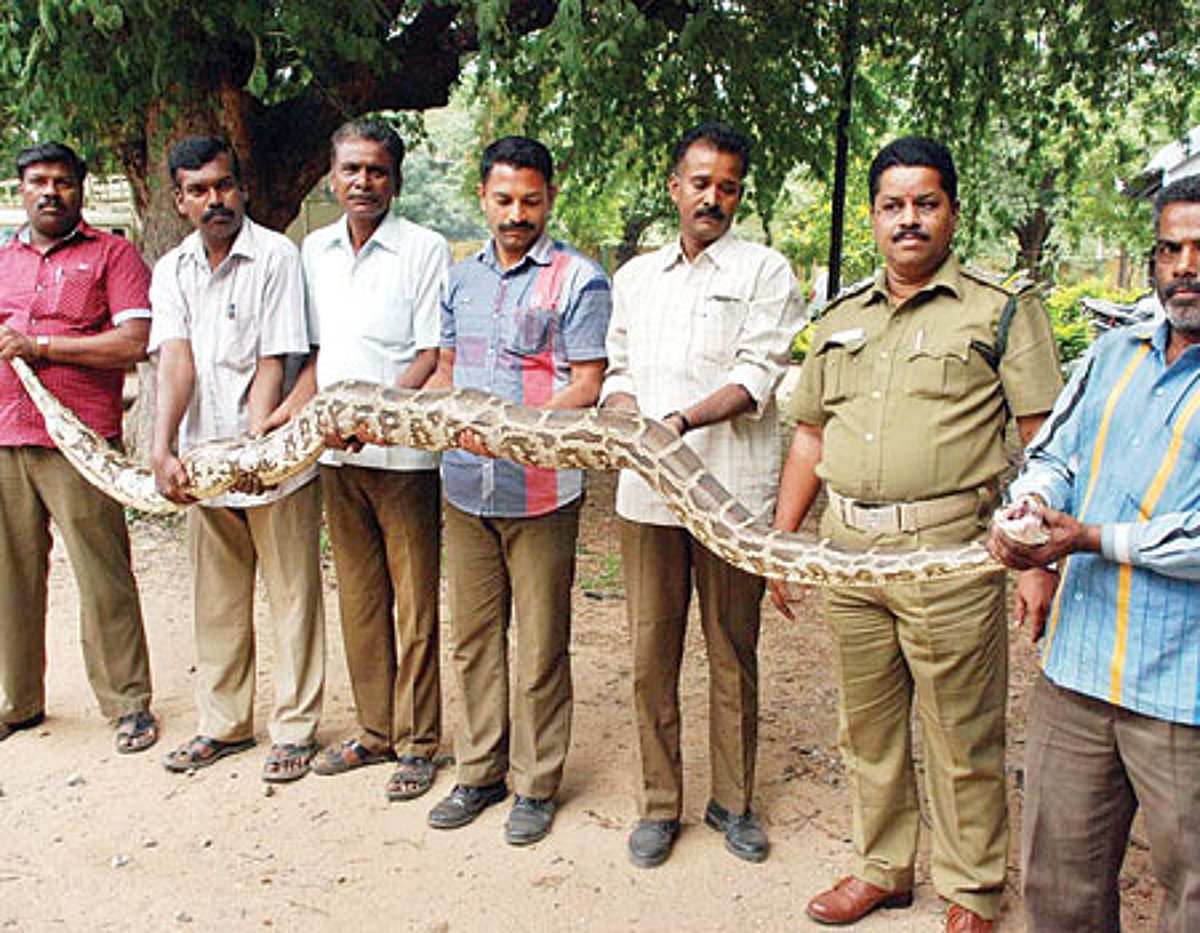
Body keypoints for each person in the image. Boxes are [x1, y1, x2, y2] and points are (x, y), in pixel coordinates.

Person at [771, 136, 1061, 932]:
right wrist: (783, 541)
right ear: (872, 217)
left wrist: (1040, 557)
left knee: (963, 732)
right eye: (893, 206)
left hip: (949, 553)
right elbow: (809, 437)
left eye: (926, 203)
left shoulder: (999, 310)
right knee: (866, 726)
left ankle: (971, 891)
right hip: (847, 552)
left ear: (953, 213)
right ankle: (882, 867)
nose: (909, 220)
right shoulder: (838, 319)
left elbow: (1043, 441)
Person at [988, 174, 1200, 933]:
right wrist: (1032, 510)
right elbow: (1054, 454)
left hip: (1184, 691)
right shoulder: (1113, 355)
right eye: (1171, 248)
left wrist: (1086, 538)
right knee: (1059, 884)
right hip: (1078, 671)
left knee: (1192, 894)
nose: (1186, 266)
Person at [601, 122, 804, 869]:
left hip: (730, 495)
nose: (711, 197)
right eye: (700, 182)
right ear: (674, 186)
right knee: (651, 654)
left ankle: (734, 801)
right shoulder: (635, 278)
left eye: (727, 186)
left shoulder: (766, 271)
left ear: (739, 193)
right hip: (647, 496)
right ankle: (660, 805)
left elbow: (759, 375)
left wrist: (678, 421)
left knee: (731, 652)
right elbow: (618, 368)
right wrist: (627, 416)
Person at [425, 136, 611, 846]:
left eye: (531, 201)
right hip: (465, 485)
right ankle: (478, 771)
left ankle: (536, 783)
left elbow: (587, 384)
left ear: (549, 199)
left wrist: (509, 430)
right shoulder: (459, 278)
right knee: (473, 639)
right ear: (483, 197)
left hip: (542, 489)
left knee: (540, 644)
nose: (516, 213)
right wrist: (438, 415)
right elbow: (446, 368)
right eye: (503, 199)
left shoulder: (580, 279)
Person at [265, 118, 451, 801]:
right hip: (336, 459)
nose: (363, 181)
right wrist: (290, 416)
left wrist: (376, 419)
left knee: (415, 604)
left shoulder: (425, 249)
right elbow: (314, 358)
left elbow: (431, 354)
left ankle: (419, 741)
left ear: (394, 178)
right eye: (351, 169)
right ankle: (375, 731)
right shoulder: (312, 251)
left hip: (402, 458)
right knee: (361, 601)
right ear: (331, 174)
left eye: (376, 170)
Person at [151, 136, 325, 783]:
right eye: (198, 190)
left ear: (241, 188)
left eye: (223, 185)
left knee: (294, 596)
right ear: (180, 200)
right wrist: (164, 446)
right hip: (204, 464)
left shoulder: (276, 254)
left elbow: (275, 360)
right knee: (216, 600)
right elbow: (176, 360)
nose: (213, 199)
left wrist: (258, 452)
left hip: (271, 456)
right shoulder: (171, 269)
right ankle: (222, 725)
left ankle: (295, 729)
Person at [0, 141, 157, 753]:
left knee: (102, 572)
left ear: (80, 190)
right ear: (20, 190)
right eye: (38, 181)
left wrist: (42, 347)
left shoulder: (112, 255)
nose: (50, 192)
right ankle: (17, 701)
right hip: (6, 434)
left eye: (62, 181)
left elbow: (134, 342)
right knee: (10, 575)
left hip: (80, 438)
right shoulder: (4, 259)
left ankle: (128, 704)